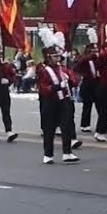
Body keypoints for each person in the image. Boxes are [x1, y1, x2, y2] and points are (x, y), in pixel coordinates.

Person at [36, 28, 80, 164]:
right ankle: (48, 154)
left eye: (58, 56)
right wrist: (56, 86)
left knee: (66, 126)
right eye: (55, 56)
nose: (58, 59)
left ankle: (67, 153)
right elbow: (43, 88)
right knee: (49, 128)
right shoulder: (43, 69)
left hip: (64, 101)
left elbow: (75, 80)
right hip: (50, 101)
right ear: (48, 57)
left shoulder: (62, 69)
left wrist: (71, 80)